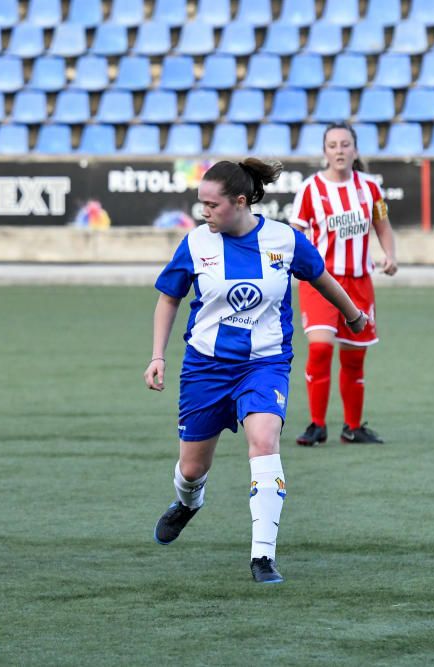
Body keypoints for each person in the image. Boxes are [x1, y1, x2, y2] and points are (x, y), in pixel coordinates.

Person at [144, 159, 368, 584]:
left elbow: (320, 278)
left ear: (240, 202)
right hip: (205, 368)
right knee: (191, 470)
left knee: (264, 443)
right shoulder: (195, 244)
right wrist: (157, 355)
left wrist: (353, 314)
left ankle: (262, 556)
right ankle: (188, 503)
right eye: (200, 204)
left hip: (264, 364)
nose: (203, 211)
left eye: (211, 204)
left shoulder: (284, 240)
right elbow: (169, 298)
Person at [291, 122, 398, 446]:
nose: (339, 150)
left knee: (354, 358)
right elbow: (295, 232)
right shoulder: (310, 189)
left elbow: (383, 224)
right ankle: (317, 425)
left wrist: (390, 255)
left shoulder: (370, 188)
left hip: (359, 283)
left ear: (355, 149)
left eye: (345, 144)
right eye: (333, 145)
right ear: (325, 151)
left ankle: (352, 427)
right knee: (321, 347)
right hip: (321, 283)